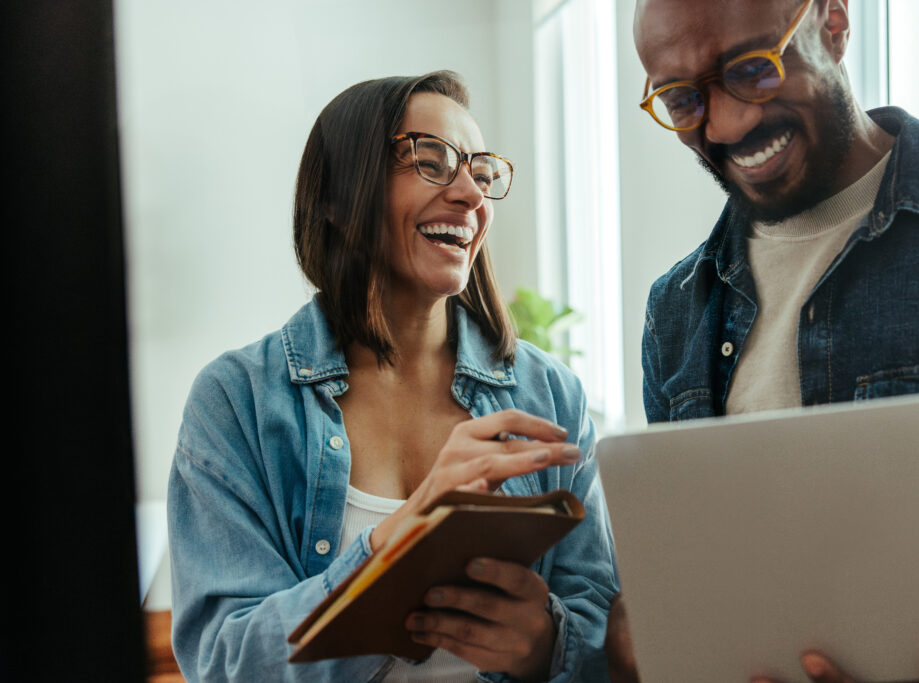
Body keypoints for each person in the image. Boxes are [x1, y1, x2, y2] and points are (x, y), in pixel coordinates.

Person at [167, 70, 619, 682]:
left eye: (481, 174)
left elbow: (602, 633)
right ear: (337, 198)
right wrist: (391, 552)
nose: (470, 195)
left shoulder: (552, 393)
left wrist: (547, 649)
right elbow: (224, 663)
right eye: (430, 162)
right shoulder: (236, 401)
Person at [632, 0, 919, 680]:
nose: (727, 123)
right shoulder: (675, 311)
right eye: (683, 100)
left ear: (834, 24)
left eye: (753, 70)